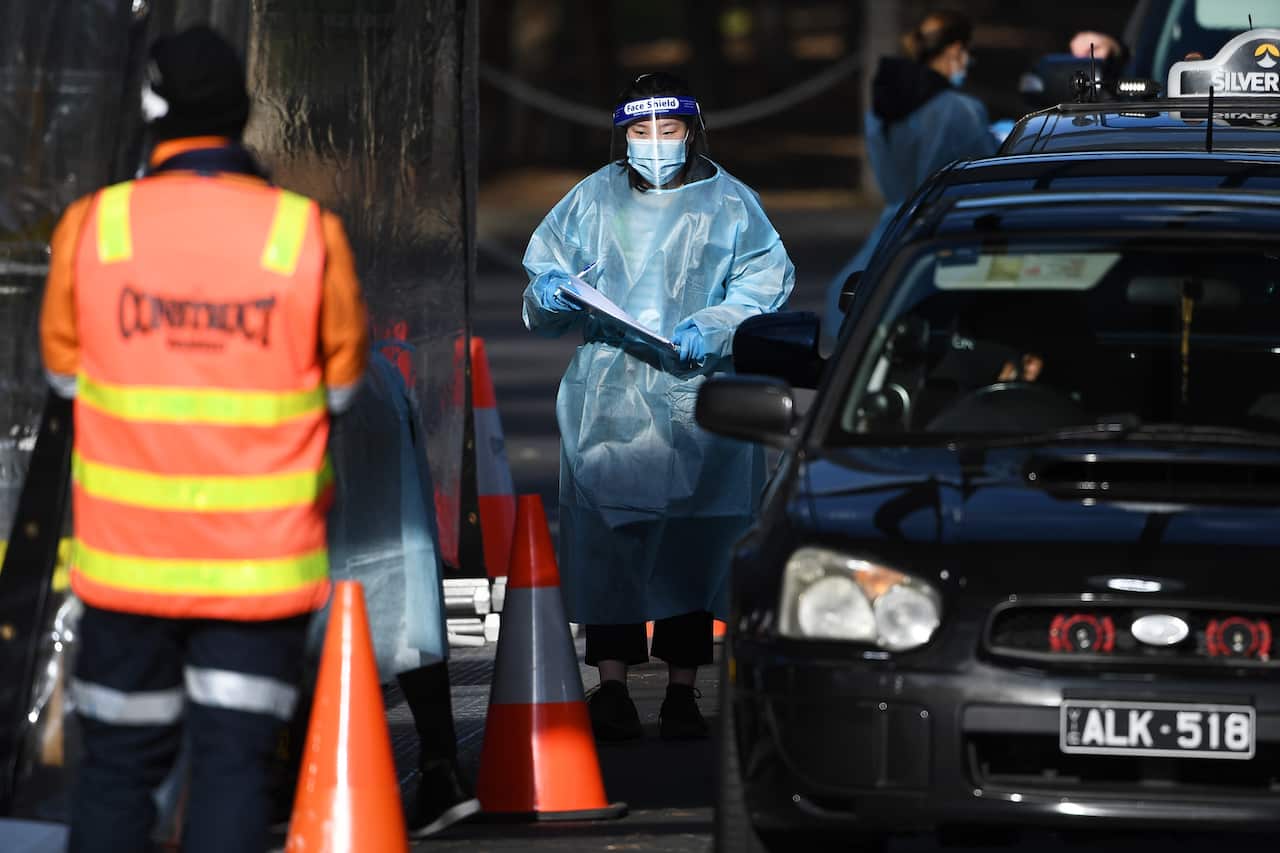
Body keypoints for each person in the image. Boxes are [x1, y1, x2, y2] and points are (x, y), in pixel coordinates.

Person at [39, 27, 368, 852]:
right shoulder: (304, 234)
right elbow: (344, 388)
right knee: (234, 767)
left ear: (151, 111)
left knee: (115, 770)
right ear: (240, 114)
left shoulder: (94, 227)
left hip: (125, 570)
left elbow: (65, 380)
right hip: (257, 571)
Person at [522, 72, 794, 741]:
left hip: (697, 390)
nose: (652, 145)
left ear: (692, 130)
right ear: (621, 135)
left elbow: (765, 279)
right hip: (609, 394)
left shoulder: (730, 204)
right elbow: (545, 284)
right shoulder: (593, 198)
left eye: (666, 131)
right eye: (639, 133)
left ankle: (682, 688)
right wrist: (551, 293)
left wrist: (719, 323)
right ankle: (610, 685)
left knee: (692, 542)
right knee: (611, 535)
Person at [823, 9, 997, 343]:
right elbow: (987, 169)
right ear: (955, 51)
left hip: (890, 229)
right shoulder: (958, 109)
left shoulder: (881, 108)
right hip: (947, 229)